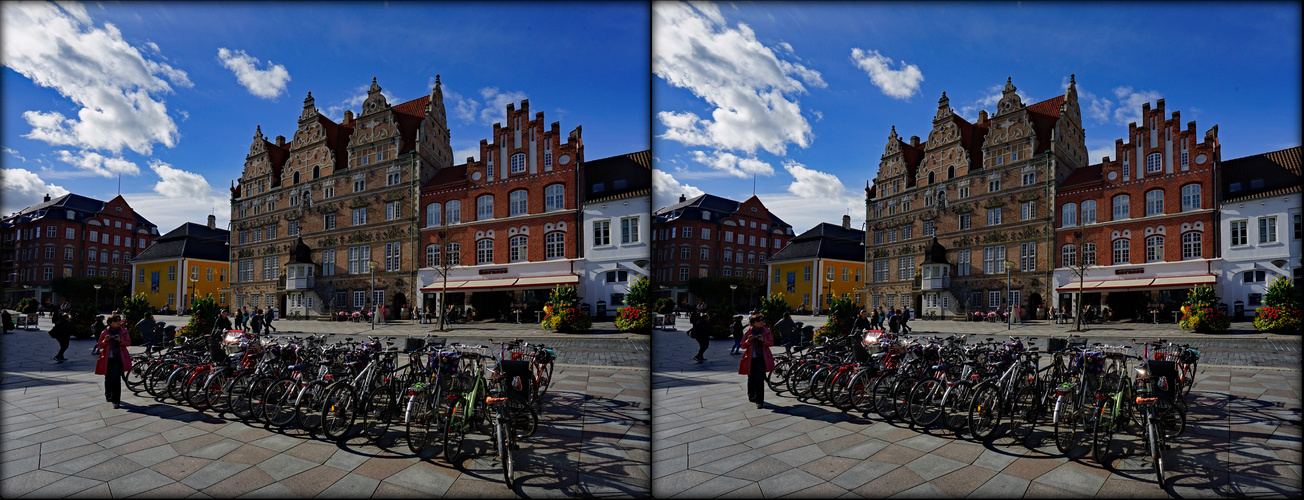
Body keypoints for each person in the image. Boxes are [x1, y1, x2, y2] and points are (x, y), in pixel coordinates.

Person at [94, 314, 132, 409]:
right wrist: (105, 341)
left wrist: (120, 341)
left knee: (116, 379)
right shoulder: (105, 332)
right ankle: (108, 394)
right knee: (108, 378)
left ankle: (116, 401)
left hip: (119, 358)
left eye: (119, 320)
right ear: (110, 323)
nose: (118, 322)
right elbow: (99, 346)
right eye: (116, 321)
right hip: (107, 359)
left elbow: (128, 343)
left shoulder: (124, 331)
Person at [738, 315, 775, 409]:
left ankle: (759, 401)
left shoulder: (766, 331)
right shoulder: (748, 332)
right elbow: (742, 346)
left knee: (759, 380)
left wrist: (763, 341)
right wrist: (748, 340)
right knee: (751, 378)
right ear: (753, 323)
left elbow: (771, 343)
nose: (761, 322)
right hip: (750, 359)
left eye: (762, 320)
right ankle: (751, 395)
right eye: (758, 321)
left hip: (762, 359)